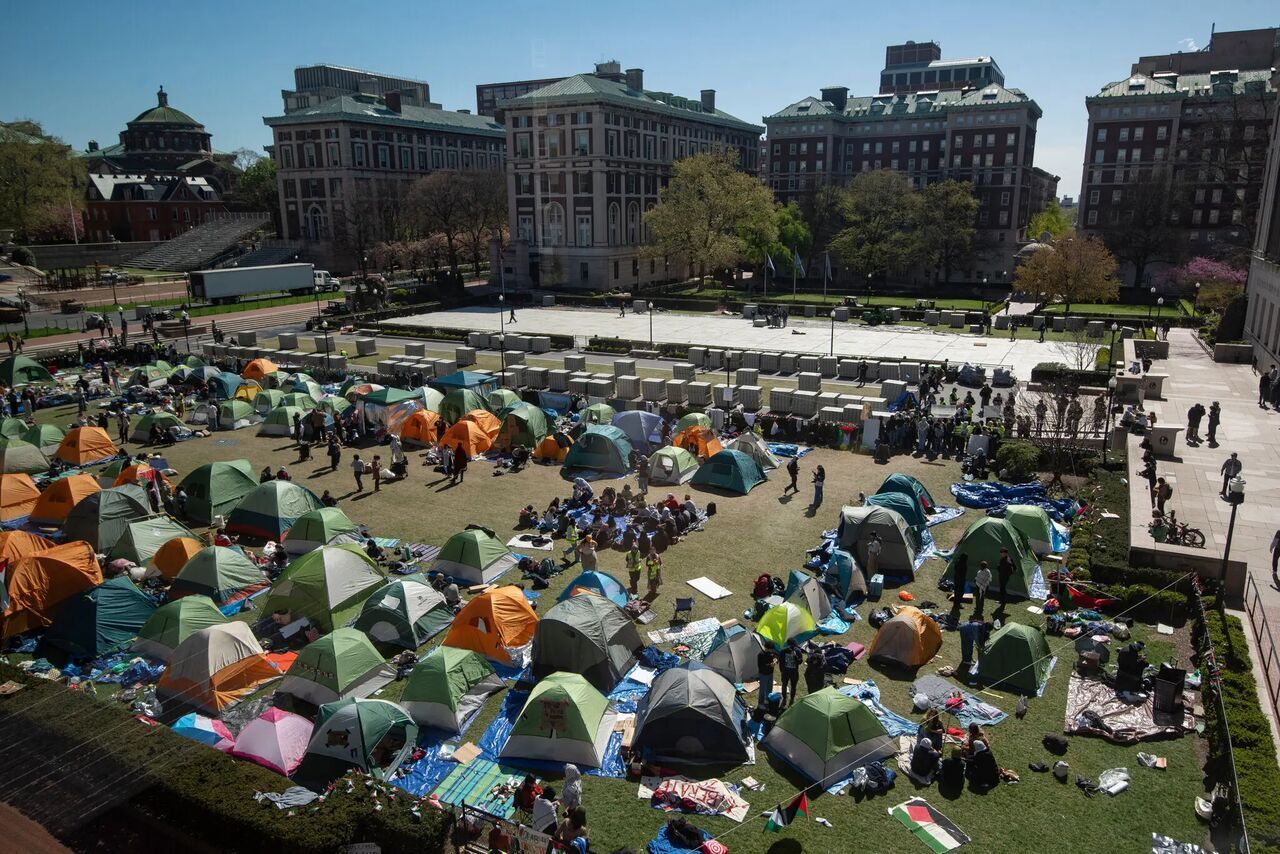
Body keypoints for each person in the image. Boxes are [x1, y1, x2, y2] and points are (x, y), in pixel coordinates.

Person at [778, 639, 802, 707]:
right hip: (785, 672)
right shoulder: (783, 651)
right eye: (790, 645)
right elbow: (781, 662)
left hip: (794, 673)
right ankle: (784, 699)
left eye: (793, 646)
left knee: (793, 687)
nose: (791, 647)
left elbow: (800, 662)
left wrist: (795, 656)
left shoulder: (797, 651)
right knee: (784, 685)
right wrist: (782, 671)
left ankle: (792, 699)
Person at [949, 553, 970, 618]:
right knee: (960, 592)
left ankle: (956, 604)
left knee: (957, 592)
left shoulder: (958, 562)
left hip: (956, 579)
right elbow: (963, 573)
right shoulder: (963, 564)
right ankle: (957, 604)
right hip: (960, 580)